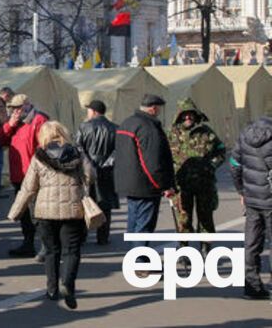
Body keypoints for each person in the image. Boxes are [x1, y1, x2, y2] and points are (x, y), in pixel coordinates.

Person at [8, 121, 94, 310]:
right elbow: (90, 175)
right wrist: (81, 186)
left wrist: (15, 212)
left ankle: (52, 289)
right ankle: (68, 284)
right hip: (72, 210)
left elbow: (28, 187)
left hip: (45, 212)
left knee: (51, 250)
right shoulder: (77, 153)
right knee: (71, 250)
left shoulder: (39, 156)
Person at [114, 94, 175, 255]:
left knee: (134, 223)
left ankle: (135, 257)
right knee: (144, 226)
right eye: (159, 108)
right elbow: (152, 161)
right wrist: (163, 185)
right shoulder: (148, 127)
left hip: (129, 183)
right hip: (145, 184)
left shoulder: (126, 123)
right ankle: (140, 262)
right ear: (153, 108)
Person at [167, 99, 225, 252]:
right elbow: (163, 158)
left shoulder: (206, 132)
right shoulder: (171, 135)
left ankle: (206, 248)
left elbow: (221, 151)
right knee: (184, 219)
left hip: (205, 183)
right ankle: (185, 250)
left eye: (191, 115)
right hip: (181, 185)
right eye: (185, 115)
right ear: (179, 116)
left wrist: (212, 165)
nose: (188, 118)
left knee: (205, 218)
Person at [0, 93, 50, 258]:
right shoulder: (16, 123)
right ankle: (28, 244)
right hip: (18, 175)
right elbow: (0, 140)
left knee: (38, 212)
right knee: (24, 213)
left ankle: (46, 247)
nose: (13, 112)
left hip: (34, 175)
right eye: (12, 109)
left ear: (25, 107)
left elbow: (46, 147)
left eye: (16, 109)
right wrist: (9, 125)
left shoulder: (39, 121)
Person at [230, 115, 272, 299]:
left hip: (252, 199)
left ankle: (251, 286)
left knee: (251, 243)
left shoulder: (245, 134)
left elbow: (234, 164)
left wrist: (241, 191)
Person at [74, 100, 118, 245]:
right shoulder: (114, 128)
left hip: (87, 171)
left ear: (93, 111)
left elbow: (78, 148)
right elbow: (118, 151)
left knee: (85, 202)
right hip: (107, 171)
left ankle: (82, 236)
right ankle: (103, 237)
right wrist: (106, 163)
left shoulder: (84, 127)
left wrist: (88, 164)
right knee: (105, 204)